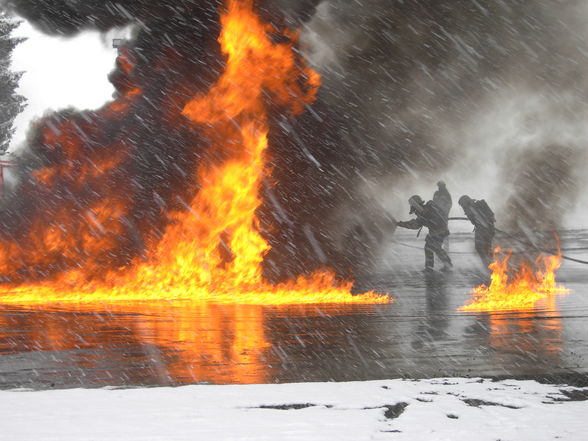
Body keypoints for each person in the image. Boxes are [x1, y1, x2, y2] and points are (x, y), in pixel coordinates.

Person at [397, 195, 453, 272]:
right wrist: (401, 224)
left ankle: (436, 266)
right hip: (438, 231)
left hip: (439, 231)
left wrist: (400, 224)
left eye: (412, 204)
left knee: (433, 247)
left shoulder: (427, 209)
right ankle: (439, 266)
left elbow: (416, 224)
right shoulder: (425, 210)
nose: (412, 206)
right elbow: (416, 224)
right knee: (432, 247)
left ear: (415, 204)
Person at [458, 195, 495, 267]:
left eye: (462, 204)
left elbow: (491, 215)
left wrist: (489, 222)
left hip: (487, 228)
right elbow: (474, 221)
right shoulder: (468, 210)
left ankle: (490, 264)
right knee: (480, 247)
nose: (462, 207)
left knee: (486, 247)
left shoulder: (480, 204)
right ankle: (488, 264)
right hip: (480, 229)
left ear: (466, 202)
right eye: (462, 205)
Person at [433, 180, 452, 251]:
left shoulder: (446, 194)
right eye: (439, 186)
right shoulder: (436, 193)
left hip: (443, 214)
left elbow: (449, 204)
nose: (439, 187)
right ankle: (438, 244)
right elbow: (433, 202)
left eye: (440, 186)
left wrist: (445, 212)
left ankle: (446, 244)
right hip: (437, 214)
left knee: (444, 228)